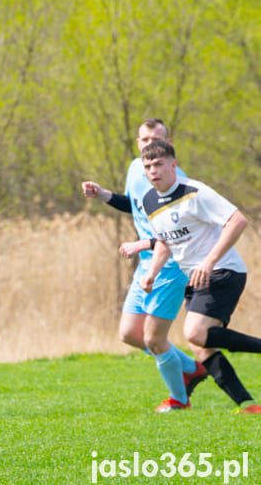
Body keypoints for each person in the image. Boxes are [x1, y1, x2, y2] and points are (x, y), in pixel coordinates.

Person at [81, 118, 207, 412]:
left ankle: (179, 400)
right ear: (138, 143)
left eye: (156, 140)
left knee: (153, 337)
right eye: (144, 140)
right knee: (129, 334)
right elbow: (134, 204)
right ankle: (190, 368)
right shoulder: (137, 168)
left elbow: (177, 237)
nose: (149, 145)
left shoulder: (177, 182)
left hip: (172, 264)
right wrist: (103, 195)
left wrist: (143, 247)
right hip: (146, 262)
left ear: (169, 146)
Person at [139, 140, 261, 414]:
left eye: (158, 164)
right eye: (147, 166)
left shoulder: (195, 192)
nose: (153, 171)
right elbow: (164, 243)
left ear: (173, 165)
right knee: (200, 345)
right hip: (195, 278)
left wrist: (209, 260)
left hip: (223, 271)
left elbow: (238, 221)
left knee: (195, 333)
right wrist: (150, 274)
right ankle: (248, 405)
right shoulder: (149, 200)